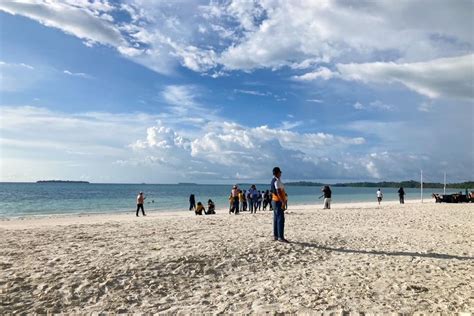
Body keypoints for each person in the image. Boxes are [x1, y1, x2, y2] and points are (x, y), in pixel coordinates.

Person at [271, 167, 288, 243]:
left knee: (276, 219)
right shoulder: (276, 181)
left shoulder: (274, 180)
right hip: (278, 201)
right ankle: (280, 237)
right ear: (278, 173)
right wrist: (283, 201)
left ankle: (276, 236)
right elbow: (278, 192)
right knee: (280, 219)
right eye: (280, 172)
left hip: (275, 201)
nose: (281, 173)